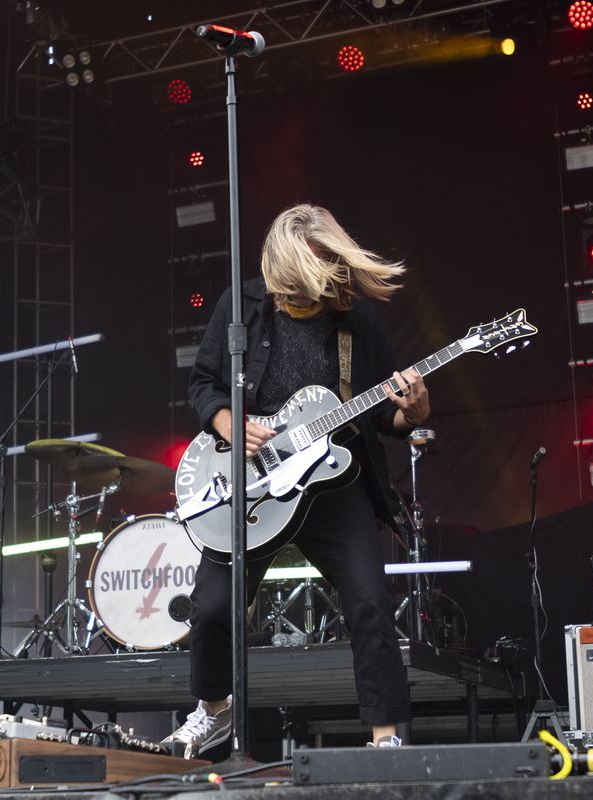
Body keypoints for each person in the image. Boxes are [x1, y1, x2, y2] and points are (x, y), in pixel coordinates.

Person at [163, 203, 430, 757]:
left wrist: (412, 413)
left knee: (370, 601)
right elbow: (202, 383)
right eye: (292, 286)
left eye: (312, 285)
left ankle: (386, 741)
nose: (300, 298)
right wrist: (230, 424)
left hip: (333, 485)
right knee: (211, 609)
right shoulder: (241, 306)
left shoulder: (358, 322)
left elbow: (384, 413)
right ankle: (213, 711)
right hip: (255, 486)